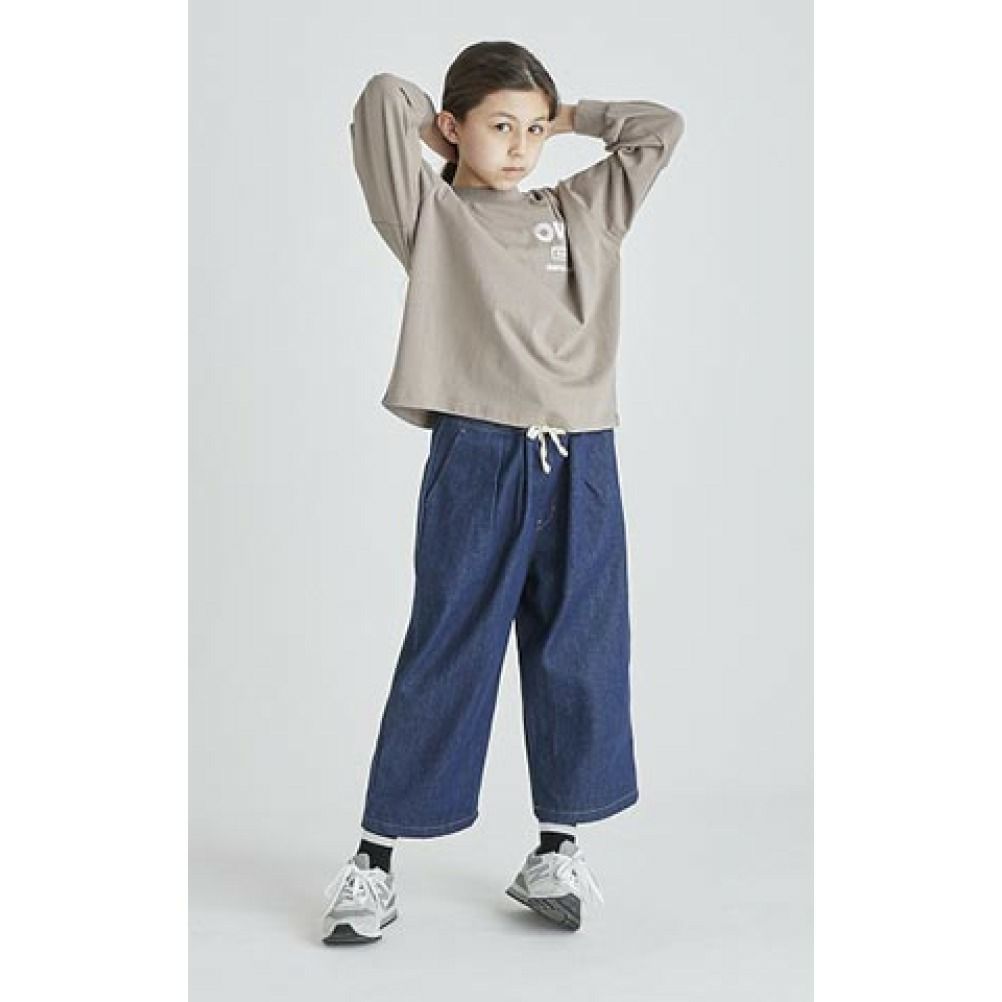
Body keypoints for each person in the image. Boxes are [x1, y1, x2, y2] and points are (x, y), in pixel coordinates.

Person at [321, 39, 685, 944]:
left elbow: (658, 130)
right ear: (454, 127)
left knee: (580, 649)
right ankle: (374, 862)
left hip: (582, 456)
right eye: (499, 127)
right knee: (449, 647)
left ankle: (556, 849)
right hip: (478, 453)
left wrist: (567, 117)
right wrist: (445, 134)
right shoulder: (432, 217)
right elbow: (381, 99)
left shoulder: (581, 209)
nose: (520, 147)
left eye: (532, 130)